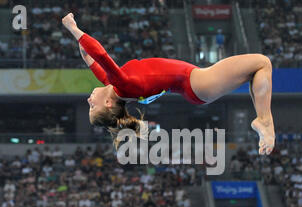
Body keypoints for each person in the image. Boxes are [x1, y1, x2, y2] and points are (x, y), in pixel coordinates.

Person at [62, 13, 275, 155]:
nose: (89, 99)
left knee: (254, 71)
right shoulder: (122, 85)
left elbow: (89, 55)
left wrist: (79, 33)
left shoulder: (110, 82)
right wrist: (72, 28)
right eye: (92, 106)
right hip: (198, 81)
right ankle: (264, 120)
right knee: (262, 63)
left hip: (196, 86)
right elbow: (100, 53)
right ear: (108, 103)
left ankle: (264, 120)